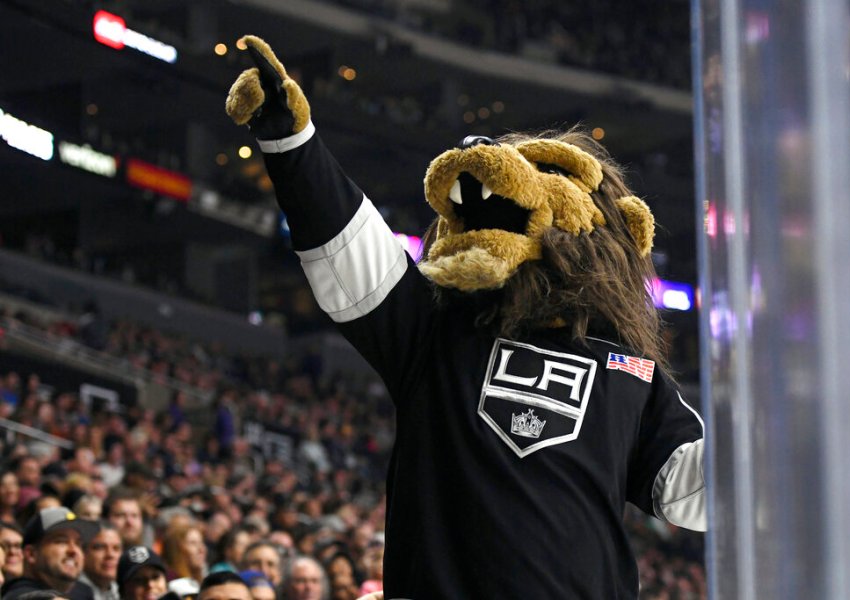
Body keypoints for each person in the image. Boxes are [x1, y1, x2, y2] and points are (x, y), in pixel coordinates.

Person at [226, 36, 706, 599]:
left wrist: (803, 430)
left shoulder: (631, 372)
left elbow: (691, 488)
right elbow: (351, 246)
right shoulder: (434, 327)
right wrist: (292, 141)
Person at [1, 506, 98, 600]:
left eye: (78, 543)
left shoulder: (83, 591)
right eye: (61, 541)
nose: (73, 550)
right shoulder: (20, 595)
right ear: (31, 554)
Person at [78, 523, 122, 600]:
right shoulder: (69, 593)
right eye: (100, 547)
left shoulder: (123, 592)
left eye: (116, 548)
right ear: (83, 553)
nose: (110, 555)